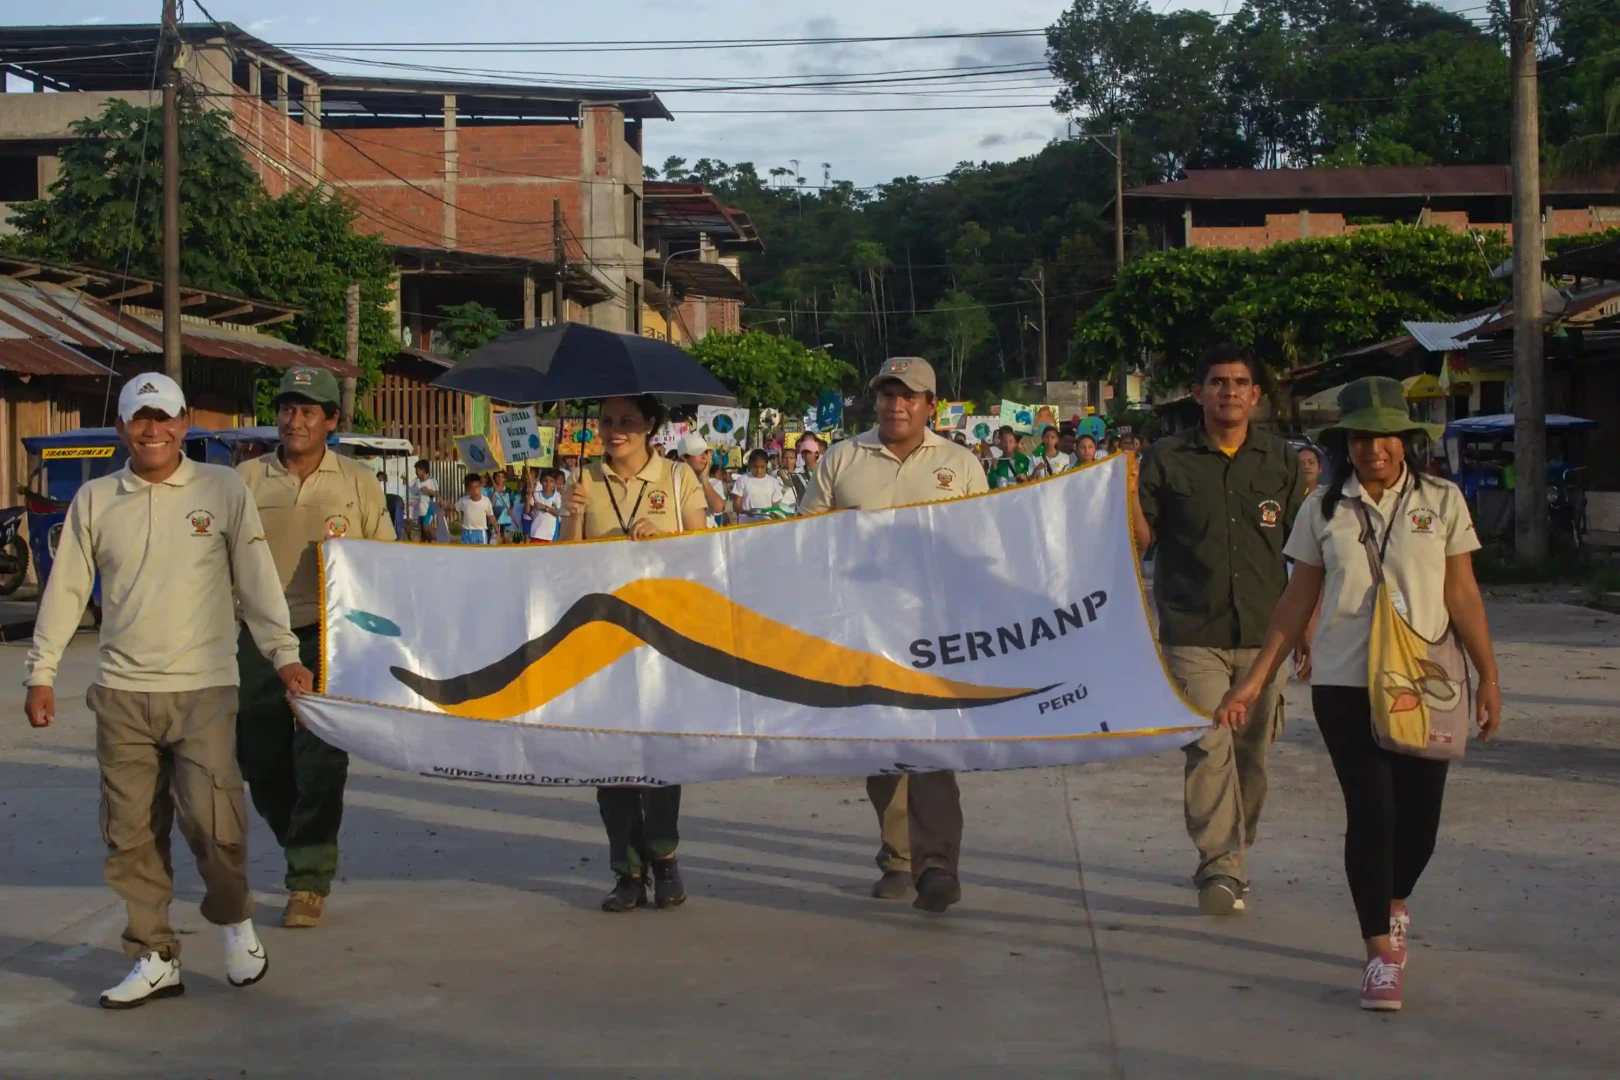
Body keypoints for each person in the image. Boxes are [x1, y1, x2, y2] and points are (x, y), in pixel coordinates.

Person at [24, 373, 311, 1009]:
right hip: (121, 693)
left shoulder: (221, 489)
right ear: (122, 427)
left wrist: (284, 654)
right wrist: (41, 673)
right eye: (140, 419)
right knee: (130, 834)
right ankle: (154, 955)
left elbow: (256, 579)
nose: (152, 430)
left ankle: (234, 922)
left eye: (164, 418)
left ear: (183, 424)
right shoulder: (97, 499)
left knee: (214, 824)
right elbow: (67, 588)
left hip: (203, 688)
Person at [1214, 376, 1500, 1012]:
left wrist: (1488, 677)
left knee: (1419, 825)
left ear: (1407, 440)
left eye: (1387, 437)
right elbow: (1296, 600)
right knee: (1373, 816)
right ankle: (1378, 953)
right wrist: (1255, 679)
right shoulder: (1322, 508)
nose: (1376, 449)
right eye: (1363, 438)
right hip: (1345, 684)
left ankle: (1394, 902)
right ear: (1345, 443)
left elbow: (1462, 594)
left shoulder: (1442, 500)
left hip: (1426, 683)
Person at [800, 357, 989, 914]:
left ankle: (936, 867)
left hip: (936, 628)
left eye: (909, 396)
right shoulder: (842, 458)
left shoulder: (960, 463)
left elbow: (984, 543)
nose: (896, 405)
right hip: (863, 629)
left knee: (933, 746)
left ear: (931, 405)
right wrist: (836, 533)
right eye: (887, 394)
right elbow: (802, 535)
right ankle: (898, 858)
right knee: (884, 751)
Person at [1133, 343, 1306, 916]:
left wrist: (1305, 627)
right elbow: (1142, 539)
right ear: (1198, 392)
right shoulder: (1167, 458)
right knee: (1208, 746)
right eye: (1217, 382)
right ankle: (1219, 865)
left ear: (1255, 395)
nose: (1228, 391)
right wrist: (1123, 495)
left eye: (1239, 383)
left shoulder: (1281, 461)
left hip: (1266, 635)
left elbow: (1305, 553)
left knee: (1251, 755)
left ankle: (1237, 850)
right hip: (1191, 631)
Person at [237, 367, 395, 930]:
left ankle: (308, 879)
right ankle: (301, 842)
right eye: (287, 408)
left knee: (321, 761)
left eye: (308, 411)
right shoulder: (247, 479)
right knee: (259, 760)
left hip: (330, 636)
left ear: (332, 420)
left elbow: (386, 561)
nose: (294, 420)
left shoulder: (357, 481)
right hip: (257, 636)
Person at [561, 394, 708, 911]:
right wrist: (572, 516)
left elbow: (702, 552)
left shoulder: (677, 478)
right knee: (611, 760)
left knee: (661, 755)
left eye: (626, 421)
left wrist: (662, 539)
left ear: (650, 425)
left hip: (664, 640)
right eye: (606, 421)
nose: (614, 430)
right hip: (602, 640)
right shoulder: (583, 480)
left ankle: (664, 858)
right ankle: (627, 871)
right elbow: (566, 565)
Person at [678, 432, 729, 528]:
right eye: (698, 453)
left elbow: (718, 508)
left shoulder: (713, 483)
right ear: (684, 457)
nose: (704, 457)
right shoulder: (675, 482)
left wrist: (704, 480)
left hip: (707, 534)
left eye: (706, 453)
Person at [732, 448, 794, 520]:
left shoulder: (773, 482)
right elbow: (736, 505)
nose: (759, 470)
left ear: (766, 465)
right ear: (751, 464)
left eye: (762, 467)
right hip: (747, 524)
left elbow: (775, 508)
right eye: (756, 467)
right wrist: (746, 512)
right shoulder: (742, 480)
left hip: (767, 523)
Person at [455, 474, 497, 545]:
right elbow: (454, 507)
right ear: (467, 489)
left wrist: (496, 528)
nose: (474, 490)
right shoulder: (463, 501)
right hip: (466, 532)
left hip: (480, 533)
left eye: (476, 487)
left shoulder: (486, 501)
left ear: (480, 487)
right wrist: (446, 505)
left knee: (481, 551)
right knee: (464, 551)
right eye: (472, 488)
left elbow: (490, 516)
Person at [527, 468, 564, 543]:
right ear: (541, 482)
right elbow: (527, 510)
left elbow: (559, 513)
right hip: (536, 533)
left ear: (554, 483)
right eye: (545, 481)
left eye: (551, 481)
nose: (548, 484)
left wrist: (544, 507)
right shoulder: (536, 495)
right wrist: (530, 493)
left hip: (551, 535)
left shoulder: (557, 496)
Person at [407, 460, 437, 542]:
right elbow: (412, 491)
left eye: (417, 470)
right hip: (420, 509)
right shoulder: (416, 481)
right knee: (422, 532)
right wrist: (406, 482)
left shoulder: (432, 481)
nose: (416, 472)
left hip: (428, 507)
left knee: (425, 528)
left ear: (423, 470)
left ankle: (437, 541)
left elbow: (436, 494)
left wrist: (428, 491)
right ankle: (425, 545)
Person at [486, 471, 517, 544]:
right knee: (495, 542)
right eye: (498, 476)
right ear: (494, 478)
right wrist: (494, 492)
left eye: (502, 477)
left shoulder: (509, 490)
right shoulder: (490, 490)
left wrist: (511, 509)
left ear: (505, 479)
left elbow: (512, 501)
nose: (500, 478)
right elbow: (489, 504)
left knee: (508, 541)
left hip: (506, 519)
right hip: (495, 520)